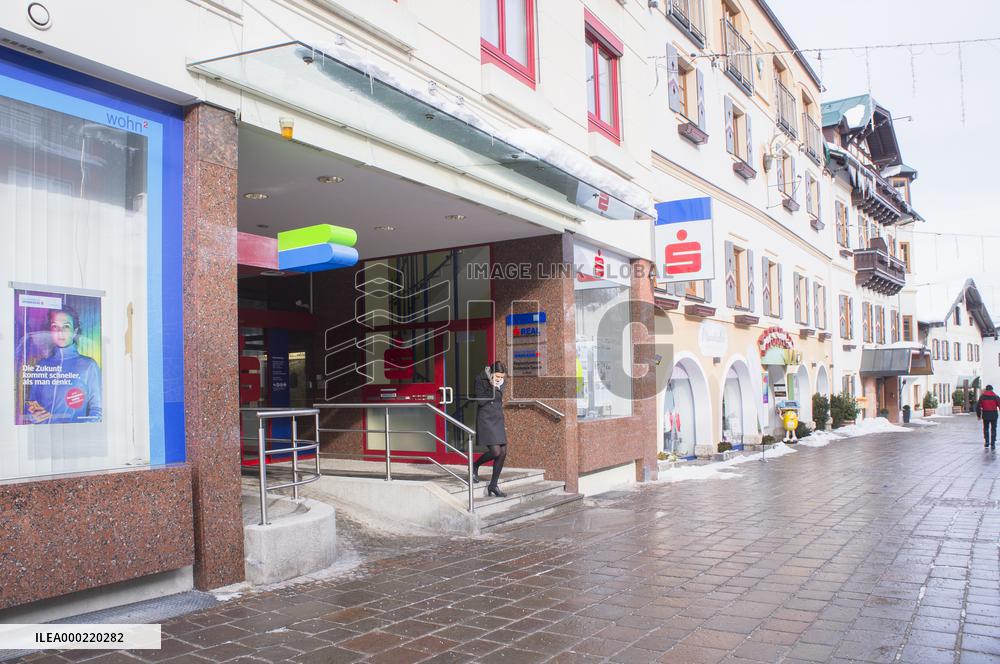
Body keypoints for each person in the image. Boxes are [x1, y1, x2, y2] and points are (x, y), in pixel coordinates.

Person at [24, 306, 102, 424]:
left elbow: (97, 410)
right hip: (43, 434)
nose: (60, 331)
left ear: (75, 331)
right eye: (55, 326)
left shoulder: (88, 366)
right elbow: (31, 404)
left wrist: (79, 430)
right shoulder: (41, 366)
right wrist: (31, 416)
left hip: (73, 435)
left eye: (66, 326)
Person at [472, 361, 508, 497]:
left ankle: (493, 485)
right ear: (491, 373)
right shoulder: (480, 379)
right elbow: (481, 401)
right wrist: (492, 386)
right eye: (497, 376)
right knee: (495, 451)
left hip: (497, 419)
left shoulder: (502, 381)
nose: (500, 379)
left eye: (502, 377)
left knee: (503, 452)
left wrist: (497, 385)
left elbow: (499, 399)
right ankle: (475, 465)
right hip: (486, 418)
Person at [975, 385, 998, 450]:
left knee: (986, 429)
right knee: (993, 429)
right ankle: (993, 444)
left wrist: (979, 415)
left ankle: (987, 442)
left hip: (986, 414)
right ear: (992, 389)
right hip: (994, 415)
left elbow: (978, 407)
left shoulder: (982, 397)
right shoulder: (996, 396)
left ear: (986, 390)